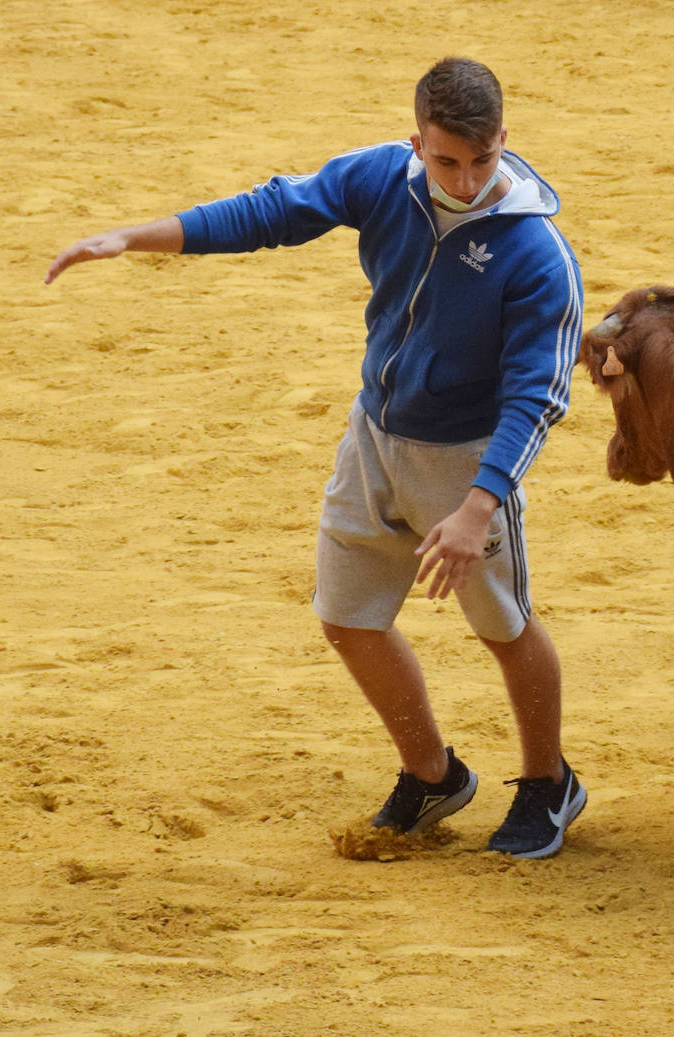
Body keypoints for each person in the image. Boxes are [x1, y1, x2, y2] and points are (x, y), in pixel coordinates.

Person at [45, 57, 587, 860]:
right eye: (447, 161)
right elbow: (274, 211)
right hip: (374, 433)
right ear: (417, 144)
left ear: (505, 139)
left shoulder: (538, 255)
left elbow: (536, 395)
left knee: (503, 625)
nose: (467, 180)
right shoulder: (382, 177)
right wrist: (136, 236)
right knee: (347, 617)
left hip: (469, 458)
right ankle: (432, 772)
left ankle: (549, 783)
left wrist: (479, 504)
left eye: (483, 160)